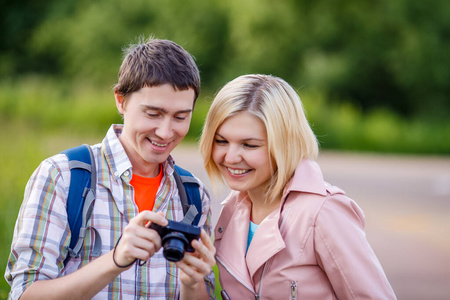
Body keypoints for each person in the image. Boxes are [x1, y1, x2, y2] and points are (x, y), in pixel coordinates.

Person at [5, 38, 216, 300]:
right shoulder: (61, 177)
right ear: (121, 100)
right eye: (152, 114)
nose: (165, 132)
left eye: (181, 117)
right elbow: (24, 294)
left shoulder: (195, 196)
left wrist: (192, 284)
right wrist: (116, 259)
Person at [199, 74, 396, 299]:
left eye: (250, 145)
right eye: (221, 141)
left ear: (285, 144)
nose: (231, 157)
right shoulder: (231, 211)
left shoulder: (324, 213)